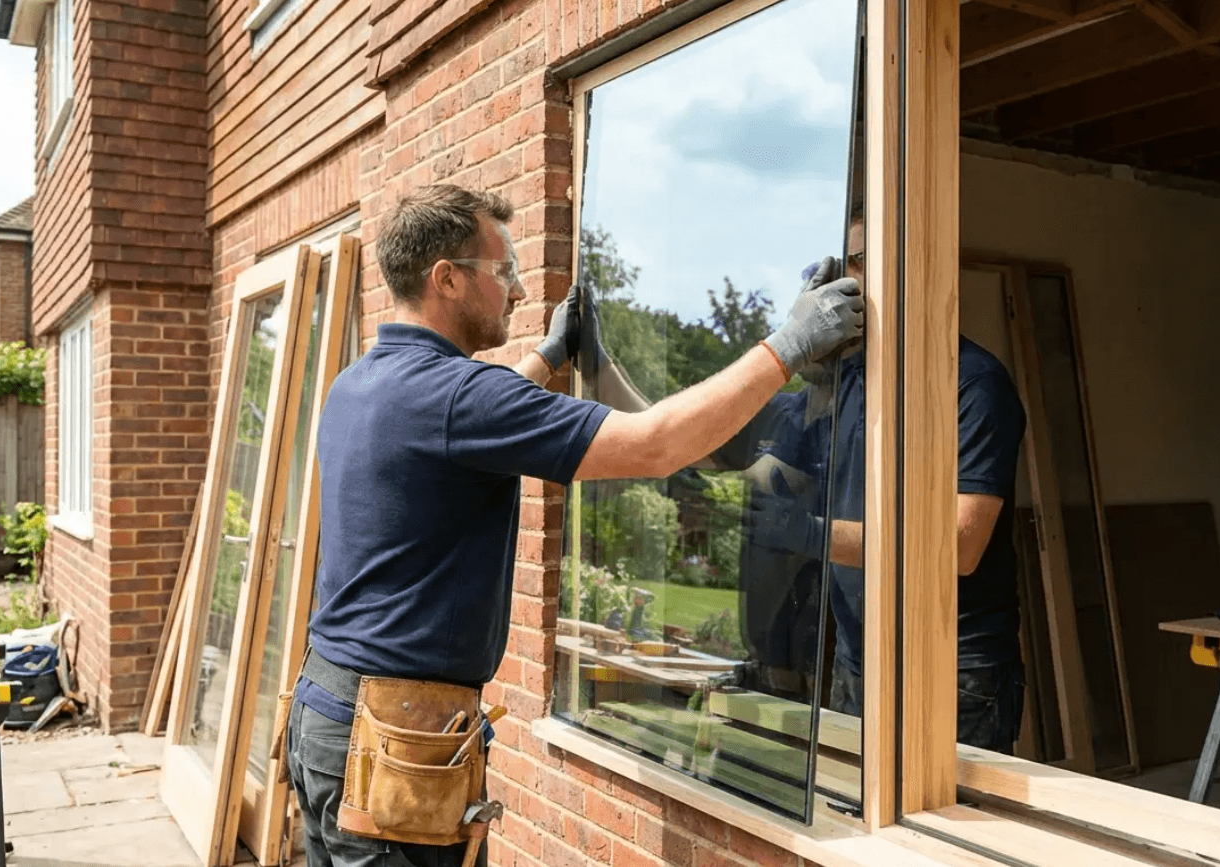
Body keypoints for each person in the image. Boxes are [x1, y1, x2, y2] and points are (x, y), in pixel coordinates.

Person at [284, 184, 863, 867]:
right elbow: (656, 445)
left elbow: (472, 419)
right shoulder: (460, 398)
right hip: (392, 744)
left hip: (325, 713)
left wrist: (551, 355)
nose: (519, 290)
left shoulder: (359, 384)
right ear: (447, 278)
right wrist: (789, 343)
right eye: (503, 270)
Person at [742, 212, 1027, 753]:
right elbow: (754, 467)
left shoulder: (973, 384)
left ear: (905, 268)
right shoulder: (846, 381)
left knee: (941, 814)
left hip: (951, 672)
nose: (842, 283)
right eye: (840, 267)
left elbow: (961, 546)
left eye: (855, 262)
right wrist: (798, 351)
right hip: (858, 662)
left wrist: (811, 534)